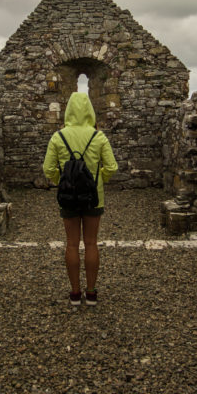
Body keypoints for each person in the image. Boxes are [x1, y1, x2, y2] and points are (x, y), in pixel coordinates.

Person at [42, 92, 118, 307]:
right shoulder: (98, 136)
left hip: (67, 197)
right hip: (94, 198)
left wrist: (62, 181)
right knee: (92, 243)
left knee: (72, 244)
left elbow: (48, 168)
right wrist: (97, 181)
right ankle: (91, 293)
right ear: (90, 111)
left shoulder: (58, 137)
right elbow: (112, 167)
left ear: (69, 111)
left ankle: (75, 294)